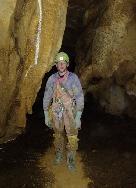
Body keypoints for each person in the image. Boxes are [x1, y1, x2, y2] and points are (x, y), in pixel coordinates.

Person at [43, 52, 84, 171]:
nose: (61, 64)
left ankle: (70, 159)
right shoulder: (52, 79)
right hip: (56, 112)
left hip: (70, 112)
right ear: (56, 65)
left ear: (67, 64)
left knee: (72, 136)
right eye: (59, 63)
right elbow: (47, 96)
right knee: (58, 135)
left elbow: (80, 97)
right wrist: (46, 114)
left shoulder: (73, 78)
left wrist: (78, 116)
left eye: (63, 62)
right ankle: (59, 153)